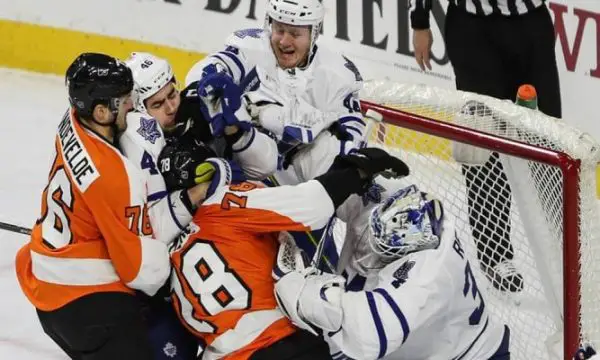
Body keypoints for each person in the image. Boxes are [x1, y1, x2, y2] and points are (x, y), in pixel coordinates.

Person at [158, 134, 410, 359]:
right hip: (279, 345)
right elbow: (313, 206)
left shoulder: (170, 253)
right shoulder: (221, 204)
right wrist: (357, 170)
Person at [185, 0, 366, 271]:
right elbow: (215, 66)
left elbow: (352, 135)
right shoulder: (250, 47)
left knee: (318, 270)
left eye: (295, 33)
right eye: (279, 30)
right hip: (241, 172)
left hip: (298, 188)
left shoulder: (337, 75)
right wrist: (205, 84)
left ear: (314, 32)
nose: (284, 41)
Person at [14, 53, 172, 359]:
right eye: (124, 100)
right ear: (101, 112)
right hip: (89, 308)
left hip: (46, 288)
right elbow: (141, 271)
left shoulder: (71, 119)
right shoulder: (115, 175)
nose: (131, 105)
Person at [411, 0, 561, 292]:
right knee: (482, 146)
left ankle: (567, 246)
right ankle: (495, 255)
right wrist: (419, 20)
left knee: (550, 139)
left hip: (530, 24)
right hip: (471, 30)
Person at [274, 181, 511, 360]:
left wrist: (304, 288)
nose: (375, 252)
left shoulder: (425, 276)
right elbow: (371, 187)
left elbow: (370, 332)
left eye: (386, 252)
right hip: (449, 340)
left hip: (472, 354)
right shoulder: (421, 215)